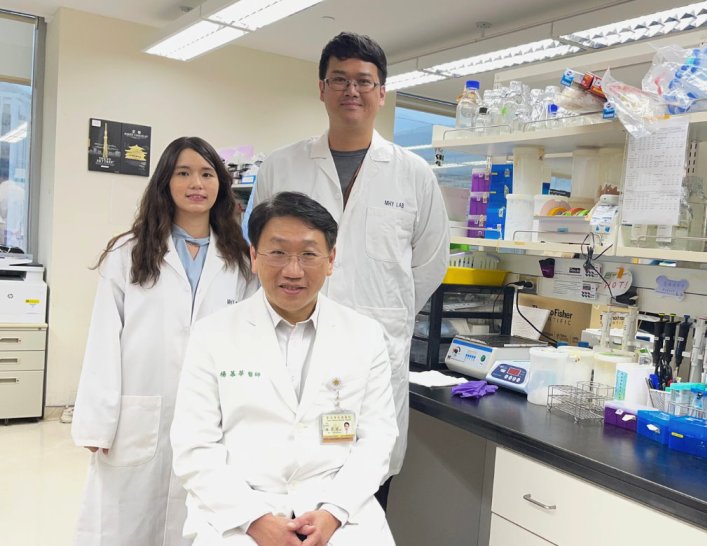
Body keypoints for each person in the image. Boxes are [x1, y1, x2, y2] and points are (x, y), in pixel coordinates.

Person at [243, 31, 450, 507]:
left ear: (381, 93)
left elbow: (431, 262)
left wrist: (386, 314)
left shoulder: (414, 174)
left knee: (365, 488)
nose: (350, 91)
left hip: (374, 356)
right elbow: (257, 249)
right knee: (282, 486)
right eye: (339, 79)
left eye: (363, 81)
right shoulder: (281, 165)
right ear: (321, 89)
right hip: (287, 348)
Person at [171, 191, 398, 546]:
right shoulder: (212, 335)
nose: (293, 271)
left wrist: (332, 513)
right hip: (240, 508)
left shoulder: (365, 336)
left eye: (309, 254)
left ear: (330, 259)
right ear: (254, 256)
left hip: (337, 510)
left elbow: (378, 440)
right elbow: (194, 445)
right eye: (277, 253)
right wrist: (255, 520)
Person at [72, 136, 258, 546]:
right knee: (127, 521)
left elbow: (249, 340)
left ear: (221, 186)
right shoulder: (129, 253)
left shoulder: (241, 261)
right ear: (165, 183)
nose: (197, 183)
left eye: (207, 174)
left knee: (196, 523)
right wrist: (97, 423)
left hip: (214, 414)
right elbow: (103, 339)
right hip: (138, 412)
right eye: (184, 173)